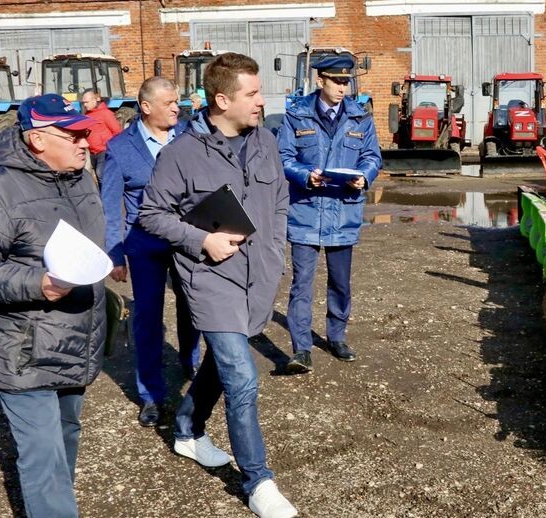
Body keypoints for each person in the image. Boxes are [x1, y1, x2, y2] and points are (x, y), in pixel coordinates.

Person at [138, 52, 297, 518]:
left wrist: (276, 249)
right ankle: (258, 481)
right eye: (252, 94)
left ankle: (187, 429)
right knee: (242, 378)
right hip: (210, 278)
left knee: (225, 361)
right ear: (222, 99)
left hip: (259, 275)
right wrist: (201, 239)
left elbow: (280, 198)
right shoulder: (180, 155)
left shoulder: (265, 140)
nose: (261, 101)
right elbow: (151, 214)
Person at [0, 94, 104, 517]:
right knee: (44, 461)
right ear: (38, 139)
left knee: (66, 437)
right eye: (73, 134)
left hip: (76, 338)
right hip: (23, 347)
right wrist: (35, 283)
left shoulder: (79, 179)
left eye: (84, 132)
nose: (84, 141)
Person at [101, 76, 201, 427]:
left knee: (193, 309)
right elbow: (111, 206)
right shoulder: (119, 148)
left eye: (178, 102)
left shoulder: (190, 136)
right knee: (146, 319)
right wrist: (115, 254)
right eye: (169, 103)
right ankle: (150, 395)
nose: (177, 107)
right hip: (144, 246)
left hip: (188, 241)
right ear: (145, 107)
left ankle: (190, 361)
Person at [277, 55, 381, 374]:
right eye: (337, 81)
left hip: (343, 210)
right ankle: (301, 349)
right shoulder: (297, 115)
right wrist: (304, 175)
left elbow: (372, 156)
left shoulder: (360, 117)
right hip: (307, 210)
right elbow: (283, 157)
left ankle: (336, 337)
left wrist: (364, 176)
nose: (342, 88)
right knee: (302, 283)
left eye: (346, 81)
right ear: (320, 81)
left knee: (340, 283)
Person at [80, 89, 121, 169]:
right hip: (92, 152)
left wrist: (113, 149)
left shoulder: (106, 113)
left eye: (86, 102)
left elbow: (117, 132)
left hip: (104, 150)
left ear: (95, 100)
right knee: (98, 176)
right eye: (83, 103)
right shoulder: (86, 115)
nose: (84, 105)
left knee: (101, 175)